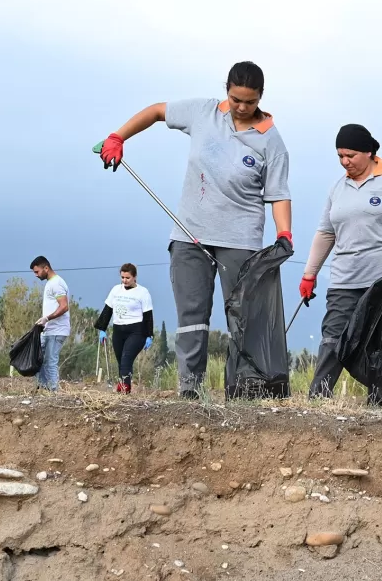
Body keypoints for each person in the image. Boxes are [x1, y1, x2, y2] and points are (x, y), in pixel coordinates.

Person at [96, 61, 292, 399]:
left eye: (250, 101)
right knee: (192, 316)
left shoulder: (271, 142)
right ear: (226, 91)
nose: (242, 107)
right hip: (189, 233)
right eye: (235, 99)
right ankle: (190, 391)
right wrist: (118, 136)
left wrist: (284, 234)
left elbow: (278, 195)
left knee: (243, 318)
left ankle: (246, 391)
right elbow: (158, 111)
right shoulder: (203, 113)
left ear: (261, 97)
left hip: (240, 239)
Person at [300, 124, 382, 406]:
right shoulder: (337, 188)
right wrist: (309, 274)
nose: (345, 162)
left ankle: (379, 403)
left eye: (350, 155)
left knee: (379, 343)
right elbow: (326, 232)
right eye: (340, 156)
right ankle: (318, 398)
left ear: (368, 152)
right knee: (333, 337)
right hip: (345, 278)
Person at [94, 263, 154, 394]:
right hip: (118, 330)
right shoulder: (116, 290)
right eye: (122, 277)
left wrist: (149, 335)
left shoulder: (143, 292)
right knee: (121, 361)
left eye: (127, 277)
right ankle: (124, 386)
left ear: (134, 277)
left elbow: (148, 315)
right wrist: (102, 329)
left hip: (136, 331)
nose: (124, 280)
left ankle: (124, 389)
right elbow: (107, 310)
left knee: (127, 358)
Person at [30, 256, 70, 392]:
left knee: (50, 362)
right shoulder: (50, 283)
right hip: (48, 330)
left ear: (46, 268)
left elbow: (64, 306)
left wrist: (47, 318)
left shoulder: (56, 283)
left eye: (37, 272)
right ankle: (43, 388)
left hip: (56, 330)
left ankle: (53, 392)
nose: (36, 275)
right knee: (36, 357)